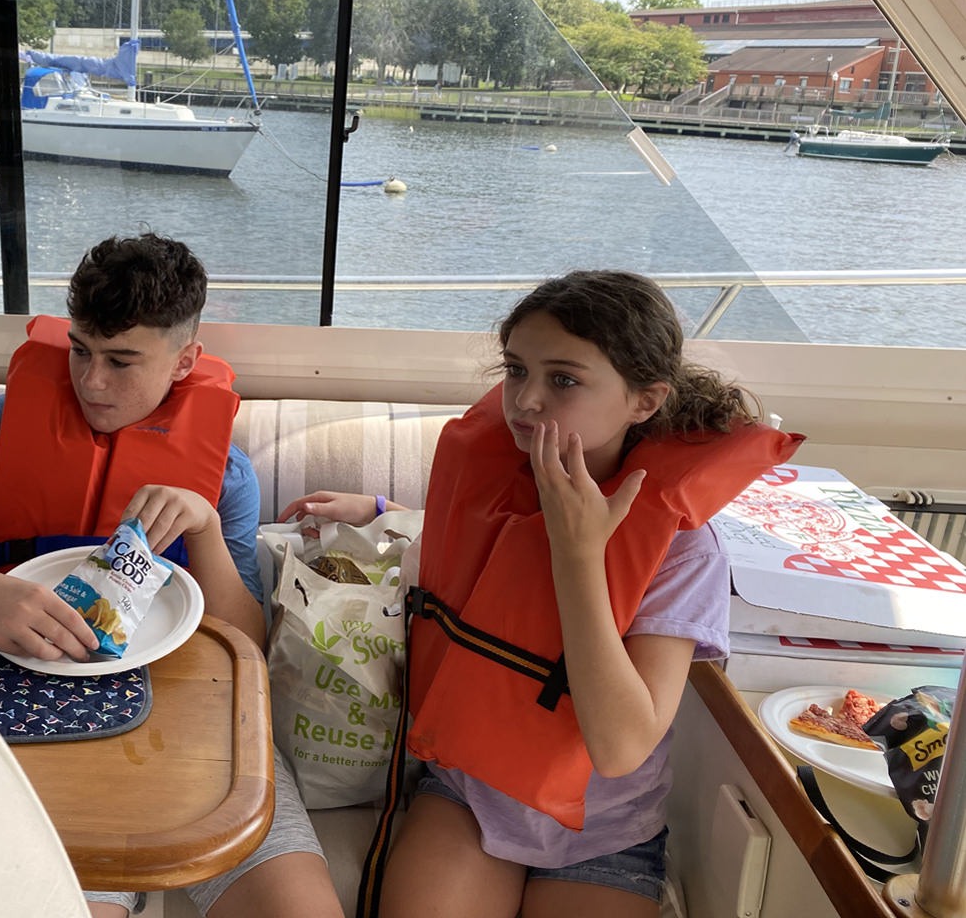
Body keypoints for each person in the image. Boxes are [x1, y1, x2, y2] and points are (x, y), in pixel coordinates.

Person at [280, 271, 800, 918]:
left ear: (645, 400)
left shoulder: (685, 550)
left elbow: (620, 746)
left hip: (603, 835)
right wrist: (386, 511)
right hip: (470, 797)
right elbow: (484, 564)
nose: (525, 400)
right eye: (516, 370)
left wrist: (579, 555)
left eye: (564, 379)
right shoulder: (504, 478)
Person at [0, 233, 344, 918]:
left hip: (197, 729)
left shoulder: (226, 473)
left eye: (122, 360)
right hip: (42, 714)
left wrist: (205, 527)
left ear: (186, 360)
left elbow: (245, 644)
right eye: (79, 351)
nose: (91, 381)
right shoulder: (5, 425)